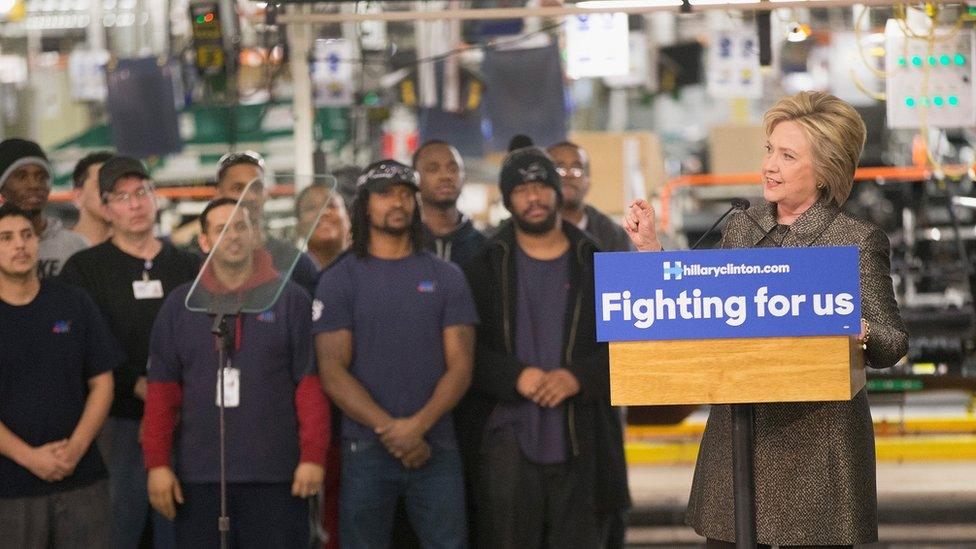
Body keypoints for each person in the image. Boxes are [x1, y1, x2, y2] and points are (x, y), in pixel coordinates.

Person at [625, 91, 909, 548]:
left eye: (788, 155)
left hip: (817, 453)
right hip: (740, 440)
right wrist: (651, 254)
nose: (769, 165)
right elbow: (704, 306)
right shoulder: (743, 226)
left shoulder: (853, 240)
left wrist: (862, 332)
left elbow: (893, 342)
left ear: (824, 172)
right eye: (769, 150)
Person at [458, 141, 631, 548]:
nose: (533, 198)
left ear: (557, 191)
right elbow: (463, 353)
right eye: (520, 189)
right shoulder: (482, 266)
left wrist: (579, 377)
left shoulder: (597, 261)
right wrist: (514, 376)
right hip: (506, 444)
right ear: (507, 200)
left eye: (541, 187)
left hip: (583, 440)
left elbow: (629, 347)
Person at [143, 198, 329, 548]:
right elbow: (161, 395)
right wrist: (157, 465)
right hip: (198, 476)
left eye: (241, 226)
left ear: (256, 235)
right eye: (221, 228)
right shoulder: (181, 306)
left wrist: (313, 457)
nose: (233, 236)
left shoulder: (290, 300)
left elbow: (310, 387)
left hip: (277, 475)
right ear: (204, 241)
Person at [313, 160, 477, 548]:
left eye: (406, 193)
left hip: (436, 446)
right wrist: (394, 431)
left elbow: (462, 367)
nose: (397, 202)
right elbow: (332, 371)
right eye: (385, 194)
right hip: (366, 448)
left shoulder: (447, 276)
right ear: (364, 205)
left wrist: (417, 427)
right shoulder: (339, 279)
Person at [59, 156, 200, 549]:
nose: (134, 205)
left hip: (185, 418)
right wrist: (139, 386)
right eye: (120, 197)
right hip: (117, 419)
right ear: (104, 209)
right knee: (118, 527)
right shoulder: (84, 268)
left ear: (156, 198)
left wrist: (168, 396)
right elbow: (85, 344)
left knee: (183, 525)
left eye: (141, 193)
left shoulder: (189, 265)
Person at [0, 204, 121, 548]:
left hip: (82, 480)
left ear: (38, 242)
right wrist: (30, 458)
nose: (19, 245)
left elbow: (103, 382)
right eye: (5, 238)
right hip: (10, 490)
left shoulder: (73, 303)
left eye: (26, 235)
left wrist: (76, 450)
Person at [294, 181, 351, 549]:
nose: (325, 212)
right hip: (307, 421)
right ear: (299, 224)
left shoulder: (367, 269)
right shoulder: (287, 277)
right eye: (313, 207)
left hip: (362, 419)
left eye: (333, 206)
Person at [182, 151, 320, 294]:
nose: (250, 196)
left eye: (256, 187)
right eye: (238, 188)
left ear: (265, 193)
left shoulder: (295, 262)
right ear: (218, 194)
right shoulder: (195, 264)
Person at [0, 138, 87, 278]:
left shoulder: (75, 246)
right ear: (2, 187)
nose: (34, 185)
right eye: (21, 177)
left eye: (41, 177)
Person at [546, 141, 633, 253]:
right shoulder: (526, 230)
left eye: (576, 168)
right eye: (559, 168)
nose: (568, 175)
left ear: (588, 181)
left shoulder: (613, 235)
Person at [413, 140, 486, 266]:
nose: (445, 176)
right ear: (415, 178)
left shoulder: (485, 248)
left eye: (453, 169)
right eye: (433, 169)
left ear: (464, 177)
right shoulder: (402, 243)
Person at [295, 182, 350, 270]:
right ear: (299, 227)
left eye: (331, 205)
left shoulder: (370, 271)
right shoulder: (290, 279)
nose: (323, 212)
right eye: (311, 207)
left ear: (348, 219)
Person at [70, 151, 114, 246]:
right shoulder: (56, 250)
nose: (111, 193)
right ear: (78, 196)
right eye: (102, 184)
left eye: (117, 186)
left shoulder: (138, 249)